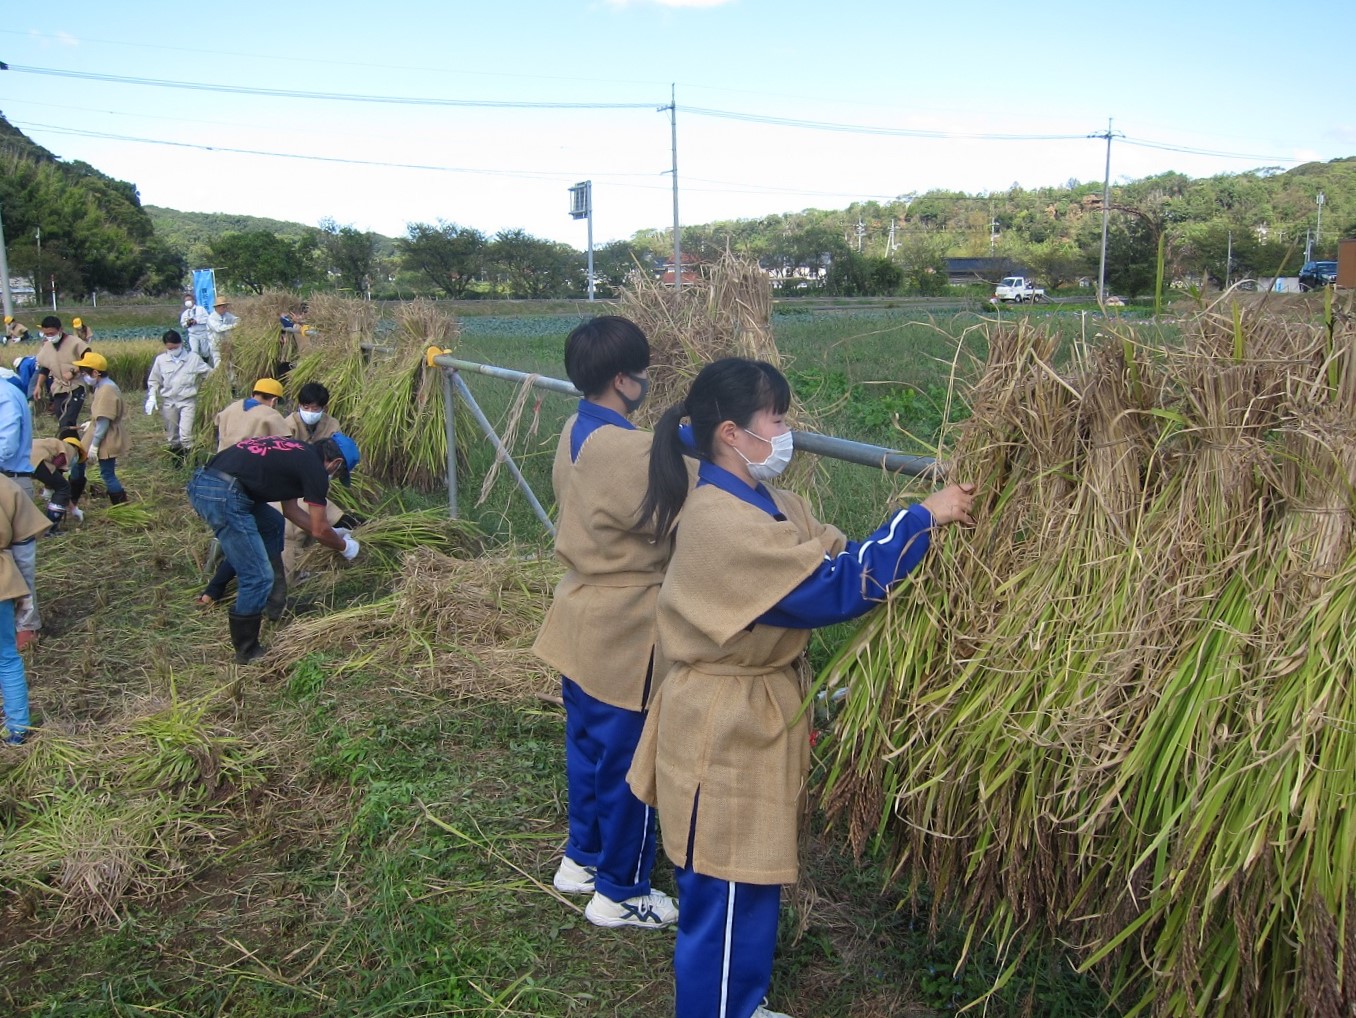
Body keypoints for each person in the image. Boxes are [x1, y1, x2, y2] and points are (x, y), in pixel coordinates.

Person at [628, 358, 975, 1018]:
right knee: (724, 891)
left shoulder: (770, 502)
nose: (787, 432)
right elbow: (834, 588)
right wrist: (921, 519)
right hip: (721, 725)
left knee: (753, 874)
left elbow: (834, 553)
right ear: (732, 432)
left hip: (751, 721)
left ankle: (743, 1002)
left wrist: (897, 537)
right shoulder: (715, 522)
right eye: (778, 420)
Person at [532, 316, 679, 931]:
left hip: (581, 617)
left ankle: (583, 859)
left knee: (589, 750)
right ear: (623, 379)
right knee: (633, 767)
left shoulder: (577, 426)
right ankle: (621, 892)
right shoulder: (630, 449)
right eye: (642, 372)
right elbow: (690, 513)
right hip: (626, 628)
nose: (647, 381)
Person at [186, 434, 361, 663]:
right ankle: (247, 651)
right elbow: (319, 530)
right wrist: (346, 547)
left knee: (272, 523)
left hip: (210, 482)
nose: (334, 477)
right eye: (338, 474)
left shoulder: (298, 452)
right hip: (223, 494)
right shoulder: (316, 471)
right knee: (257, 576)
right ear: (335, 463)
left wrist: (332, 534)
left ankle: (276, 605)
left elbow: (291, 512)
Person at [199, 378, 292, 611]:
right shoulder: (269, 416)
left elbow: (216, 428)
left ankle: (213, 589)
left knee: (243, 534)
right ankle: (256, 604)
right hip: (243, 483)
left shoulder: (231, 408)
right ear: (274, 400)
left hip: (215, 476)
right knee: (253, 538)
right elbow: (287, 449)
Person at [0, 473, 55, 745]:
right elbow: (23, 548)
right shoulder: (5, 485)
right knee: (6, 657)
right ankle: (18, 730)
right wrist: (25, 599)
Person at [280, 382, 346, 581]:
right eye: (305, 407)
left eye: (315, 408)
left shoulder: (332, 425)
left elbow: (337, 453)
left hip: (318, 482)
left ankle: (303, 567)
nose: (309, 412)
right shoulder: (288, 424)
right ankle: (288, 577)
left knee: (313, 526)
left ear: (324, 408)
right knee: (293, 531)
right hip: (292, 483)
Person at [0, 369, 41, 648]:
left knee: (20, 558)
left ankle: (26, 626)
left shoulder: (3, 395)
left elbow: (7, 443)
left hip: (9, 481)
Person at [70, 351, 129, 506]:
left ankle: (121, 506)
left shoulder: (107, 389)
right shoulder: (101, 386)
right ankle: (73, 499)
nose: (83, 376)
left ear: (95, 373)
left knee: (107, 473)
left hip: (105, 435)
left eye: (84, 373)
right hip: (98, 431)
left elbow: (104, 420)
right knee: (78, 463)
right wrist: (91, 423)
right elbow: (100, 416)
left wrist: (95, 445)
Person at [146, 329, 212, 463]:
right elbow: (154, 380)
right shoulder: (161, 360)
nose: (173, 350)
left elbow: (209, 374)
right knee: (172, 436)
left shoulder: (193, 358)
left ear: (181, 344)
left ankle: (192, 461)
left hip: (188, 401)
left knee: (186, 435)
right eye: (170, 348)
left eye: (175, 347)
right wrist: (152, 396)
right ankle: (177, 462)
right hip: (169, 402)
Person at [31, 316, 90, 429]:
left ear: (60, 329)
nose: (49, 337)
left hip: (76, 386)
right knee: (61, 420)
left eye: (52, 333)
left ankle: (68, 443)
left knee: (67, 421)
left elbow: (89, 360)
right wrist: (38, 386)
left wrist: (73, 372)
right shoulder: (47, 346)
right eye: (46, 334)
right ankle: (70, 444)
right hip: (58, 387)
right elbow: (44, 368)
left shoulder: (75, 343)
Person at [215, 378, 289, 450]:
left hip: (222, 459)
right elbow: (283, 445)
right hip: (251, 461)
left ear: (252, 394)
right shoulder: (272, 415)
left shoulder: (229, 409)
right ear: (274, 401)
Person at [30, 433, 85, 530]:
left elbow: (54, 479)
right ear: (77, 450)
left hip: (20, 457)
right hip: (35, 459)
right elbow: (59, 483)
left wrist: (73, 508)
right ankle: (51, 528)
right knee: (63, 487)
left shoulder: (52, 444)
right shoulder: (68, 449)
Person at [205, 296, 238, 368]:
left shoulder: (226, 315)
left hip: (226, 344)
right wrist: (233, 326)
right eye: (223, 307)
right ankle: (219, 378)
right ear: (217, 307)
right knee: (219, 365)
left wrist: (239, 322)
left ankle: (231, 379)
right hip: (216, 346)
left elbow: (235, 319)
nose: (225, 309)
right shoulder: (211, 318)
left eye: (226, 307)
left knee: (230, 364)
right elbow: (218, 328)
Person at [180, 292, 211, 363]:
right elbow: (183, 324)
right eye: (186, 301)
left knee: (205, 351)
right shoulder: (185, 313)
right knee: (194, 351)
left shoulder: (201, 309)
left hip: (203, 333)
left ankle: (206, 363)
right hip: (193, 335)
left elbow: (207, 319)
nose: (188, 302)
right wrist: (187, 323)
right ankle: (196, 366)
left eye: (189, 300)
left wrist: (197, 321)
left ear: (193, 300)